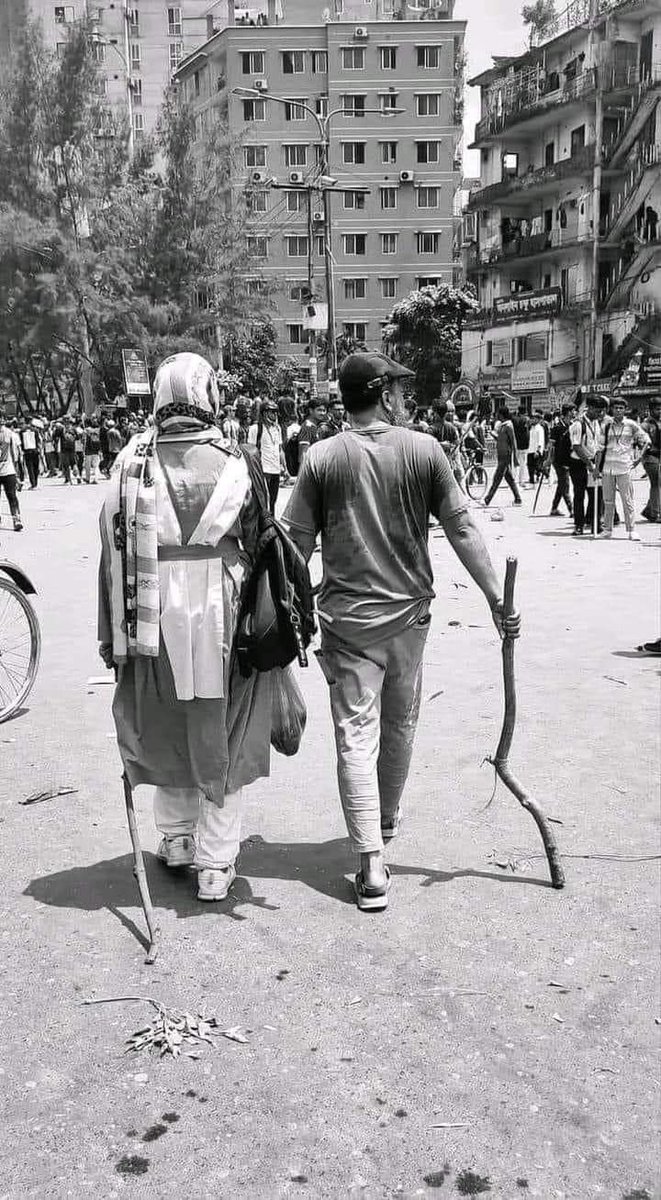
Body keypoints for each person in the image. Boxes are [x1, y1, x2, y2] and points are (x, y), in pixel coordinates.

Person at [282, 351, 521, 912]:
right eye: (399, 390)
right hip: (409, 622)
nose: (404, 399)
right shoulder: (424, 450)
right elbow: (461, 527)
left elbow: (295, 544)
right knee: (400, 725)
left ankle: (371, 865)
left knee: (355, 735)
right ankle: (384, 820)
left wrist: (286, 609)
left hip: (347, 625)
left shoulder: (321, 458)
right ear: (385, 395)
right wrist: (495, 597)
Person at [98, 352, 273, 902]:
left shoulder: (130, 461)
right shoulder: (238, 460)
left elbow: (111, 550)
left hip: (150, 611)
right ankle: (215, 863)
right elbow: (261, 541)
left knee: (169, 720)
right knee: (225, 728)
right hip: (224, 610)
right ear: (208, 395)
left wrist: (110, 633)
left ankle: (176, 838)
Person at [598, 398, 650, 540]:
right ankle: (607, 529)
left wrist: (639, 458)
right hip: (607, 468)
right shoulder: (606, 426)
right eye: (616, 408)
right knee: (608, 500)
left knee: (627, 500)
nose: (618, 410)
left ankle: (631, 530)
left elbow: (646, 440)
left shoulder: (631, 425)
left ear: (625, 410)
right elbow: (600, 449)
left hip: (624, 467)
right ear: (612, 409)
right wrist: (597, 468)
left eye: (621, 408)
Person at [568, 394, 607, 535]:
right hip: (579, 463)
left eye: (601, 411)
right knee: (579, 495)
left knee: (596, 494)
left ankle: (595, 523)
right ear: (589, 408)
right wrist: (588, 463)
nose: (600, 414)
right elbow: (577, 446)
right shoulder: (578, 424)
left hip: (593, 462)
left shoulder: (596, 423)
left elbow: (598, 446)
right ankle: (578, 525)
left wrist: (596, 465)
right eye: (597, 410)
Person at [247, 398, 289, 514]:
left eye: (276, 412)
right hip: (263, 469)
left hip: (275, 469)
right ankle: (264, 521)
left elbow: (280, 450)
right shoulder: (255, 429)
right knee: (264, 499)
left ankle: (272, 520)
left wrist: (285, 468)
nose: (275, 415)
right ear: (264, 413)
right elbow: (251, 451)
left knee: (273, 500)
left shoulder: (277, 428)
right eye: (272, 412)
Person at [483, 405, 522, 506]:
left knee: (497, 478)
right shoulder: (502, 426)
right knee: (509, 479)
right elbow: (500, 440)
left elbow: (513, 442)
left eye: (498, 414)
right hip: (501, 455)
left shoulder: (508, 426)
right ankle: (518, 498)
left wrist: (515, 457)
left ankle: (487, 499)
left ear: (501, 415)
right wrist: (492, 434)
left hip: (505, 456)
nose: (496, 416)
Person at [548, 403, 574, 518]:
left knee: (561, 484)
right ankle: (572, 509)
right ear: (568, 412)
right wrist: (548, 459)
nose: (574, 413)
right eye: (573, 411)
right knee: (565, 484)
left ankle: (554, 508)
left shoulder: (573, 426)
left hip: (569, 459)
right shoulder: (557, 427)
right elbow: (551, 445)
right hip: (558, 460)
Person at [0, 410, 24, 531]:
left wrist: (17, 474)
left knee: (12, 496)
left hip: (8, 470)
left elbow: (15, 455)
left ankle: (16, 519)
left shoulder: (10, 434)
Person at [640, 396, 660, 523]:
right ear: (651, 410)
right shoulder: (645, 425)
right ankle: (656, 513)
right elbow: (641, 443)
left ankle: (649, 510)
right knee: (656, 483)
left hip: (658, 456)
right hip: (650, 456)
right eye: (657, 409)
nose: (660, 411)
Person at [298, 400, 327, 465]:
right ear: (311, 411)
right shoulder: (307, 427)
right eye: (319, 410)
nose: (322, 413)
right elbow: (303, 454)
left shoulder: (317, 426)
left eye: (324, 410)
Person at [512, 411, 530, 487]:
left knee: (515, 463)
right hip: (523, 445)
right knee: (522, 464)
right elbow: (527, 433)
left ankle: (513, 480)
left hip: (516, 444)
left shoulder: (514, 420)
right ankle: (521, 480)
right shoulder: (525, 419)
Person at [20, 420, 40, 489]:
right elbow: (38, 440)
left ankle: (33, 483)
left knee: (30, 468)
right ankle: (36, 483)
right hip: (35, 450)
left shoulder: (22, 431)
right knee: (36, 467)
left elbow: (21, 442)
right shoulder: (35, 430)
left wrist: (22, 449)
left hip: (27, 451)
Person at [527, 413, 546, 484]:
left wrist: (538, 451)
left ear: (538, 420)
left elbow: (540, 440)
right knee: (529, 466)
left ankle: (547, 474)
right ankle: (531, 480)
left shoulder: (540, 428)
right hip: (530, 449)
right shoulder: (532, 428)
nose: (533, 420)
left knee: (538, 467)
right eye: (533, 418)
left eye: (535, 418)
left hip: (536, 450)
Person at [83, 419, 101, 483]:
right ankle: (96, 479)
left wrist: (83, 449)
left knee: (87, 466)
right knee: (96, 466)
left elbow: (83, 440)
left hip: (88, 450)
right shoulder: (98, 430)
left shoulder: (86, 430)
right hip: (96, 450)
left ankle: (87, 479)